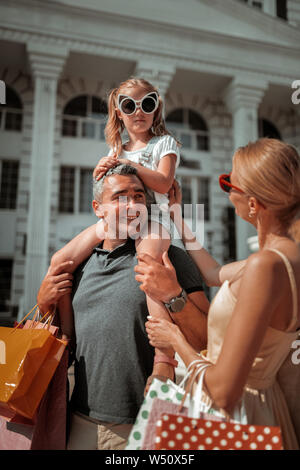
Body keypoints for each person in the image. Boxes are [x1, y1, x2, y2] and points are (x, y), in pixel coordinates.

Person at [140, 138, 300, 450]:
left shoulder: (264, 266)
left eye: (229, 182)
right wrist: (177, 215)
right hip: (268, 407)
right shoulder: (286, 259)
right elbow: (213, 274)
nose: (226, 191)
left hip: (236, 417)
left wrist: (176, 340)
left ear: (253, 203)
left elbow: (224, 390)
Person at [37, 164, 209, 450]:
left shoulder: (170, 258)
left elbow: (206, 339)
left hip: (145, 423)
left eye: (139, 196)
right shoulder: (80, 265)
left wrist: (173, 296)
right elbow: (64, 347)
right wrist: (44, 305)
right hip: (80, 420)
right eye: (119, 197)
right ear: (98, 208)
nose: (132, 205)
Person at [49, 77, 182, 376]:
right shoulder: (116, 147)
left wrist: (128, 164)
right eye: (129, 105)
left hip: (152, 219)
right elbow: (104, 188)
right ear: (118, 112)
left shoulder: (164, 143)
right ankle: (66, 341)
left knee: (148, 266)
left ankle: (163, 358)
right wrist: (102, 169)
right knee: (60, 261)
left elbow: (163, 182)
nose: (139, 111)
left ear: (156, 109)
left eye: (147, 104)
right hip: (116, 220)